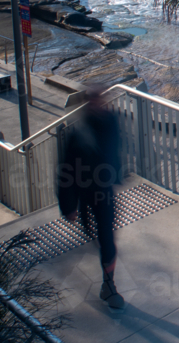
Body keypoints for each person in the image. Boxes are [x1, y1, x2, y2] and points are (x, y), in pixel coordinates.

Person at [57, 88, 124, 310]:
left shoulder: (110, 122)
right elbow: (66, 170)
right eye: (94, 102)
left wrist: (117, 172)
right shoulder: (78, 133)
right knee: (94, 232)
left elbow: (115, 148)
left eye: (100, 101)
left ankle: (109, 285)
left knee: (107, 237)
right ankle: (105, 262)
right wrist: (68, 206)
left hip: (104, 192)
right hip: (85, 192)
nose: (99, 105)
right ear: (87, 105)